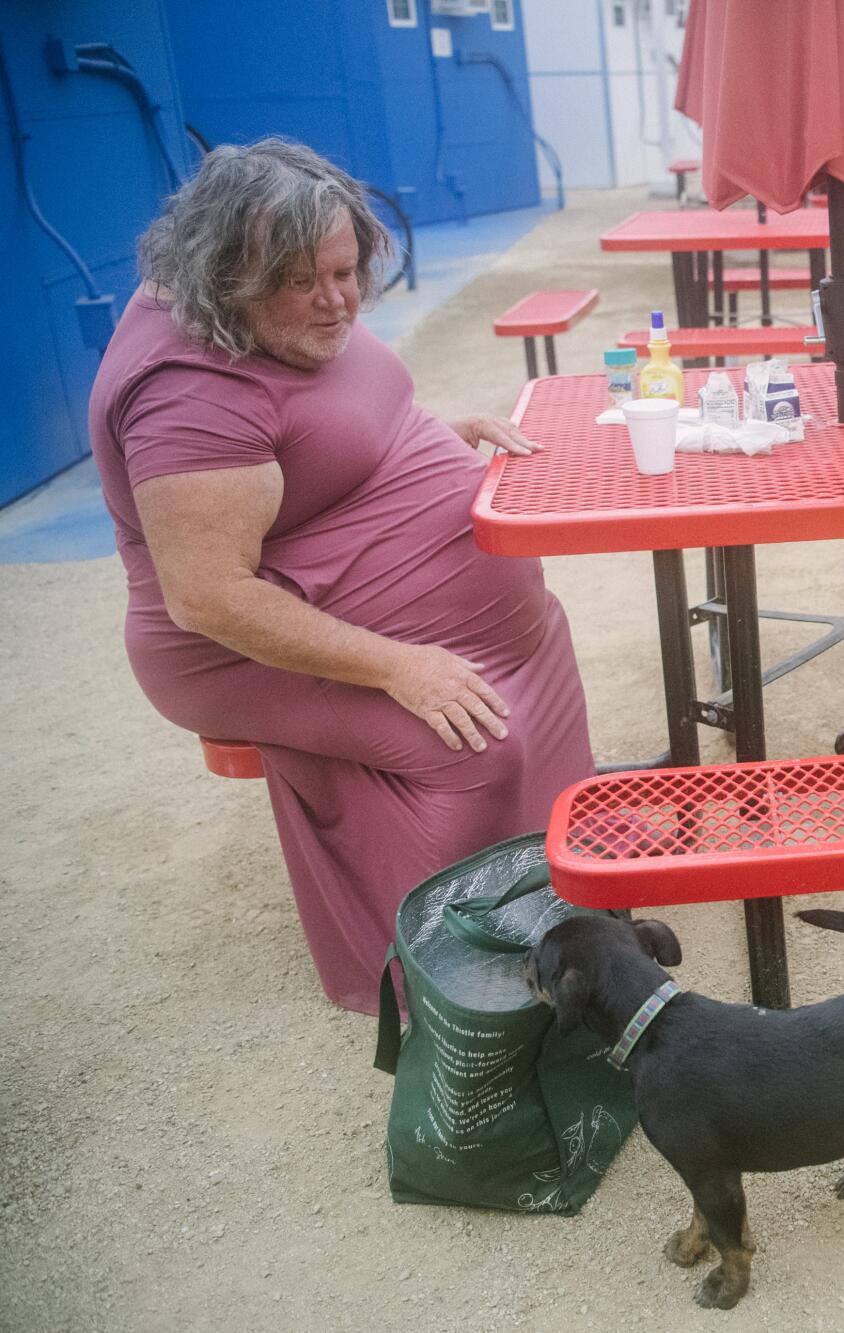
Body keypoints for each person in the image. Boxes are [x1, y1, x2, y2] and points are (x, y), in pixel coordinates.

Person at [89, 139, 596, 1013]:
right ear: (225, 279)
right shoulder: (185, 397)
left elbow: (311, 427)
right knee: (473, 736)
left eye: (348, 270)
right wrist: (400, 664)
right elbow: (208, 597)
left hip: (372, 604)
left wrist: (426, 432)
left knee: (539, 639)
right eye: (302, 283)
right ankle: (447, 985)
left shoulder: (280, 314)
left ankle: (557, 914)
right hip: (228, 654)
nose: (336, 301)